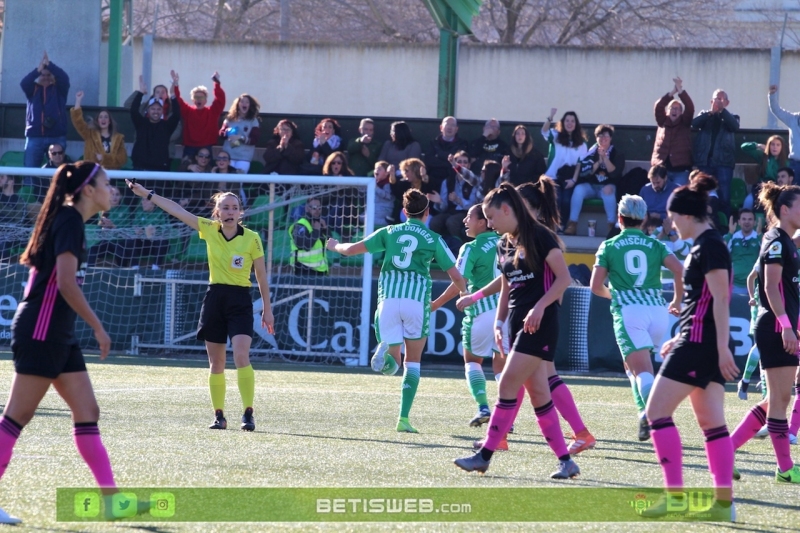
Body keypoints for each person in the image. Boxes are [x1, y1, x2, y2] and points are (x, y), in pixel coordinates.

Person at [0, 162, 137, 525]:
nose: (112, 190)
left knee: (87, 412)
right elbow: (64, 283)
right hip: (42, 329)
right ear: (88, 190)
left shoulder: (69, 220)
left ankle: (111, 502)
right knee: (16, 417)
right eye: (107, 184)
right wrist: (98, 328)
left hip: (55, 330)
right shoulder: (70, 221)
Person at [454, 183, 580, 479]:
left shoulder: (540, 235)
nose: (490, 224)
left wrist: (540, 307)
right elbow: (508, 287)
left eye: (492, 217)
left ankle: (484, 455)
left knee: (507, 384)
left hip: (541, 323)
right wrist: (499, 323)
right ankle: (566, 461)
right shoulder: (503, 244)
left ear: (507, 209)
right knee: (538, 394)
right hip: (517, 323)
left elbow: (564, 279)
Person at [125, 181, 275, 431]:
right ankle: (219, 416)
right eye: (225, 208)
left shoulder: (252, 238)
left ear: (240, 212)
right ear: (217, 212)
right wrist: (148, 194)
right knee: (216, 363)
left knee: (240, 356)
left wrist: (267, 310)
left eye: (234, 208)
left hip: (240, 301)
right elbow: (177, 210)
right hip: (215, 298)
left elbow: (261, 275)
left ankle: (248, 413)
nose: (229, 212)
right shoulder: (208, 228)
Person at [327, 189, 466, 433]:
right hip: (416, 302)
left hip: (389, 300)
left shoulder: (389, 232)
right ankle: (403, 419)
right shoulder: (433, 238)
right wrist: (462, 296)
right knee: (413, 364)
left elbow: (350, 250)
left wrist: (336, 245)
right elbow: (457, 277)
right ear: (427, 213)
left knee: (393, 364)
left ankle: (386, 350)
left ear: (403, 212)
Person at [641, 174, 738, 520]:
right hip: (698, 342)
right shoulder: (706, 244)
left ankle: (675, 497)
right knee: (712, 423)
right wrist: (679, 336)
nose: (669, 223)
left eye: (671, 216)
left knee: (656, 413)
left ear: (684, 215)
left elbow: (722, 299)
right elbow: (703, 302)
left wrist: (722, 348)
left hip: (700, 345)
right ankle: (724, 506)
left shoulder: (709, 245)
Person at [590, 195, 684, 441]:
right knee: (633, 368)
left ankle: (660, 419)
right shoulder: (656, 244)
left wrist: (614, 296)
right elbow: (679, 271)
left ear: (619, 218)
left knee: (642, 372)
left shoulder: (609, 245)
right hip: (657, 312)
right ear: (643, 219)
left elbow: (595, 286)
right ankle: (644, 413)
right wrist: (675, 300)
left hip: (631, 312)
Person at [729, 181, 800, 482]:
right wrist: (786, 326)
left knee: (775, 400)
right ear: (785, 209)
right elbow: (770, 287)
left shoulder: (786, 240)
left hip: (782, 326)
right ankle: (785, 468)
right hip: (774, 327)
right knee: (779, 401)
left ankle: (726, 450)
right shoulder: (775, 240)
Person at [431, 204, 503, 428]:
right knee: (502, 366)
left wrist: (436, 304)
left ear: (482, 222)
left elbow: (459, 281)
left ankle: (483, 406)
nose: (464, 221)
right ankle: (505, 415)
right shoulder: (507, 242)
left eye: (469, 217)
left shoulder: (471, 247)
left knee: (472, 361)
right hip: (507, 312)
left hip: (481, 310)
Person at [566, 124, 626, 236]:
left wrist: (605, 158)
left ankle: (611, 226)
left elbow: (614, 173)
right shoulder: (590, 153)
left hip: (607, 185)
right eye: (600, 136)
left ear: (611, 138)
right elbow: (586, 174)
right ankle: (572, 223)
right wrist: (598, 161)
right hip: (591, 185)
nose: (603, 139)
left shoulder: (617, 154)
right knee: (578, 189)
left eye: (606, 136)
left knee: (609, 192)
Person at [21, 51, 70, 169]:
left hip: (56, 136)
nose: (46, 78)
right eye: (43, 75)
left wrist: (50, 65)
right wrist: (38, 69)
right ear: (39, 76)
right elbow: (24, 83)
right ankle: (32, 188)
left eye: (48, 75)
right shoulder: (32, 89)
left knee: (58, 171)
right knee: (30, 171)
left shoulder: (59, 90)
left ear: (52, 77)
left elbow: (64, 78)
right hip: (35, 136)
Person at [541, 109, 588, 227]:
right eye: (567, 120)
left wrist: (573, 180)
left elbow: (580, 164)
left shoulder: (582, 144)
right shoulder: (556, 136)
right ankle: (552, 225)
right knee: (557, 199)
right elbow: (544, 131)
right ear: (563, 122)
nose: (569, 123)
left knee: (567, 200)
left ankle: (564, 226)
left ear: (576, 124)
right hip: (553, 177)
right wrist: (550, 116)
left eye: (572, 121)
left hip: (570, 179)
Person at [692, 89, 740, 206]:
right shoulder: (705, 114)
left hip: (724, 163)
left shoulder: (733, 116)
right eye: (717, 99)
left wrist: (722, 111)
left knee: (724, 196)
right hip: (704, 161)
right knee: (702, 195)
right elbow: (694, 124)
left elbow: (735, 127)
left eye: (722, 99)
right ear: (711, 101)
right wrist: (710, 113)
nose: (719, 101)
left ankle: (725, 223)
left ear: (727, 103)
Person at [129, 77, 181, 173]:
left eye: (158, 109)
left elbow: (177, 114)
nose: (156, 111)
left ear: (162, 111)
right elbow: (133, 110)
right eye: (153, 109)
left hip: (160, 169)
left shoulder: (167, 126)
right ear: (148, 110)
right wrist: (140, 92)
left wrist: (173, 94)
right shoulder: (141, 123)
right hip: (140, 167)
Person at [170, 70, 226, 159]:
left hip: (207, 146)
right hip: (189, 147)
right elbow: (178, 100)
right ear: (193, 100)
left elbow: (220, 100)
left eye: (202, 97)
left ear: (206, 100)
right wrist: (175, 84)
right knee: (186, 169)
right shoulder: (187, 111)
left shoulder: (212, 112)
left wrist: (216, 83)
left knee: (206, 171)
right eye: (196, 97)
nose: (199, 99)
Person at [429, 150, 479, 246]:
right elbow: (443, 208)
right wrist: (439, 201)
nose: (462, 164)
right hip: (450, 211)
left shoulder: (474, 181)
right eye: (459, 162)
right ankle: (436, 248)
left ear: (469, 165)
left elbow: (473, 205)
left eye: (465, 162)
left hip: (466, 213)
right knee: (435, 221)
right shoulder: (447, 182)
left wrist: (458, 200)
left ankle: (458, 247)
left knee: (452, 222)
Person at [652, 77, 694, 186]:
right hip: (661, 169)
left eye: (677, 109)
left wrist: (680, 90)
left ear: (681, 112)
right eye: (672, 108)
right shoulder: (662, 122)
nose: (674, 111)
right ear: (667, 111)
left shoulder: (685, 123)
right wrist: (672, 92)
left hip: (680, 170)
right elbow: (658, 106)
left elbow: (690, 107)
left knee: (677, 196)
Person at [70, 90, 128, 170]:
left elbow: (122, 159)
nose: (103, 119)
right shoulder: (89, 134)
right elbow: (78, 122)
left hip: (111, 174)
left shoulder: (118, 138)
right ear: (97, 121)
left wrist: (104, 158)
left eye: (106, 117)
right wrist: (78, 100)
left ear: (109, 121)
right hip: (93, 173)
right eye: (100, 117)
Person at [741, 136, 789, 210]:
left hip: (777, 190)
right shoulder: (763, 156)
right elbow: (744, 147)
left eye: (778, 145)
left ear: (782, 147)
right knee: (748, 201)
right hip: (761, 188)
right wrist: (758, 145)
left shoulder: (787, 163)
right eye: (772, 144)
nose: (775, 147)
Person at [424, 116, 469, 193]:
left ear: (456, 129)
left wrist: (439, 155)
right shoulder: (433, 143)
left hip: (453, 178)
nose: (450, 127)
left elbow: (458, 163)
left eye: (453, 125)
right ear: (441, 127)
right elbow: (429, 161)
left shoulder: (462, 144)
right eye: (447, 124)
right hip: (434, 177)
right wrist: (449, 161)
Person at [219, 94, 261, 173]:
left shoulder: (253, 121)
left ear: (250, 105)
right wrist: (226, 132)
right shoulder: (229, 118)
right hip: (228, 156)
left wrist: (241, 138)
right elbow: (221, 133)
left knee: (238, 182)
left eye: (247, 102)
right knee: (227, 181)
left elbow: (255, 139)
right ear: (238, 104)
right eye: (242, 102)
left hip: (244, 158)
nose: (244, 104)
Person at [724, 209, 761, 295]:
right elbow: (719, 250)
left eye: (750, 219)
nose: (747, 222)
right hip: (735, 285)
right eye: (744, 219)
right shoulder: (732, 237)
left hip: (755, 285)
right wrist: (730, 233)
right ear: (739, 222)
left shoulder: (759, 237)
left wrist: (760, 234)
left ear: (754, 222)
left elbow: (768, 250)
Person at [288, 199, 329, 276]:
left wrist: (325, 229)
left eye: (319, 208)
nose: (317, 210)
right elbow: (305, 245)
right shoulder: (300, 225)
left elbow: (329, 246)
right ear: (307, 208)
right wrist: (316, 231)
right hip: (303, 270)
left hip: (320, 270)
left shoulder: (319, 224)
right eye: (314, 208)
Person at [768, 85, 800, 181]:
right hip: (795, 164)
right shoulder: (792, 119)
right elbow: (776, 110)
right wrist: (772, 95)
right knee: (793, 192)